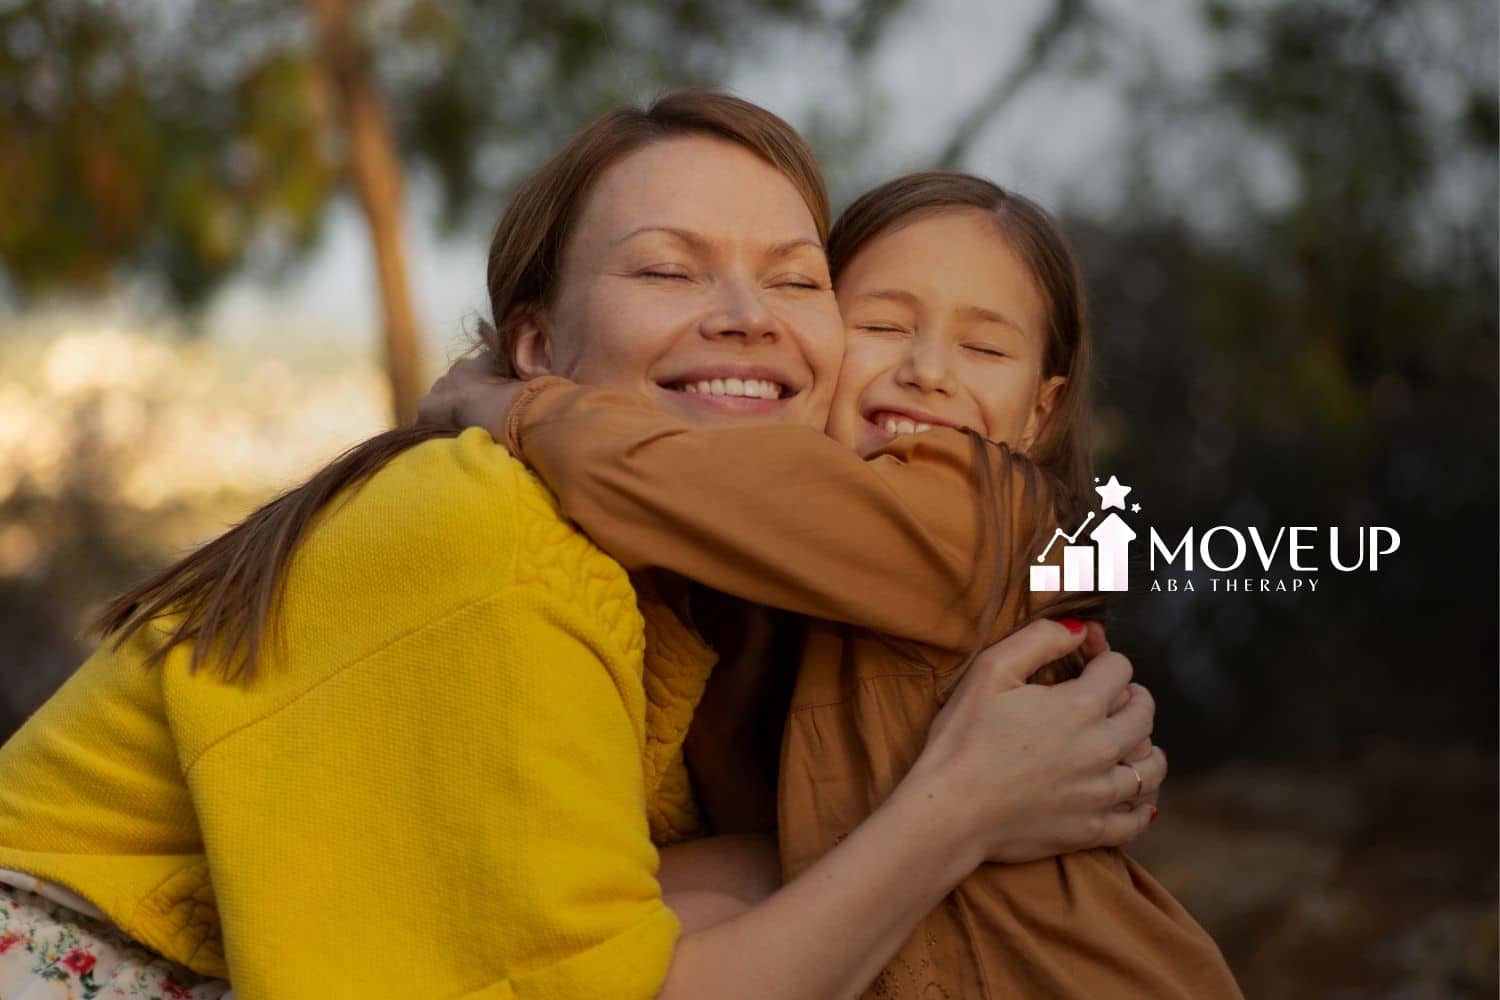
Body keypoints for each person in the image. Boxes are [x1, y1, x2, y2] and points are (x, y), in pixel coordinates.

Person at [0, 93, 1160, 999]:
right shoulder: (485, 534)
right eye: (665, 267)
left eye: (796, 280)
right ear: (538, 345)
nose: (748, 313)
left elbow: (719, 889)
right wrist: (960, 806)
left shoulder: (709, 603)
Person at [422, 170, 1243, 997]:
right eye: (882, 325)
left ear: (1041, 410)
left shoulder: (975, 508)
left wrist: (506, 403)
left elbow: (678, 478)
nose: (928, 371)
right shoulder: (778, 578)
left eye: (985, 348)